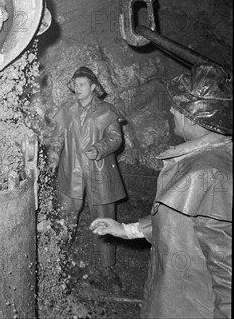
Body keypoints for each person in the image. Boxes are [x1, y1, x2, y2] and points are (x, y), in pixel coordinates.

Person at [91, 63, 232, 318]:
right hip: (173, 300)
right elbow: (178, 224)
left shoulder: (210, 174)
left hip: (190, 307)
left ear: (195, 115)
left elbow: (228, 272)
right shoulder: (202, 159)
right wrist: (127, 230)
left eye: (177, 106)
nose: (171, 110)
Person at [50, 66, 126, 291]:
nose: (77, 88)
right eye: (75, 84)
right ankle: (58, 257)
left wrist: (100, 148)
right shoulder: (67, 109)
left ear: (93, 87)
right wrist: (54, 157)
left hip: (99, 171)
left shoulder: (106, 110)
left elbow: (115, 138)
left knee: (103, 217)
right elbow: (57, 139)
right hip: (70, 170)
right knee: (65, 215)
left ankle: (106, 267)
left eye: (82, 84)